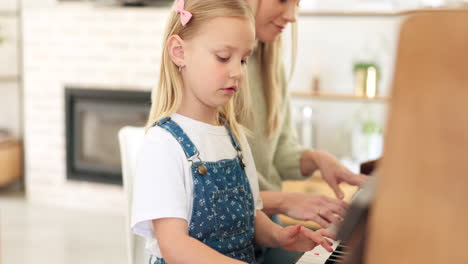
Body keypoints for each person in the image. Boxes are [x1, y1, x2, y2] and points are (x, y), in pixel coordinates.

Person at [130, 0, 335, 263]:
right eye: (224, 57)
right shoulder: (163, 144)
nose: (237, 72)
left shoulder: (234, 138)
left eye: (244, 60)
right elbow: (174, 245)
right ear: (179, 52)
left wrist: (278, 235)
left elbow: (249, 216)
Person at [243, 0, 368, 263]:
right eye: (282, 0)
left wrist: (317, 159)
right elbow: (212, 196)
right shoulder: (217, 73)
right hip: (237, 231)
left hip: (268, 225)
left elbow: (280, 152)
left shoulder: (269, 59)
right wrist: (285, 201)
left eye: (298, 4)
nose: (292, 16)